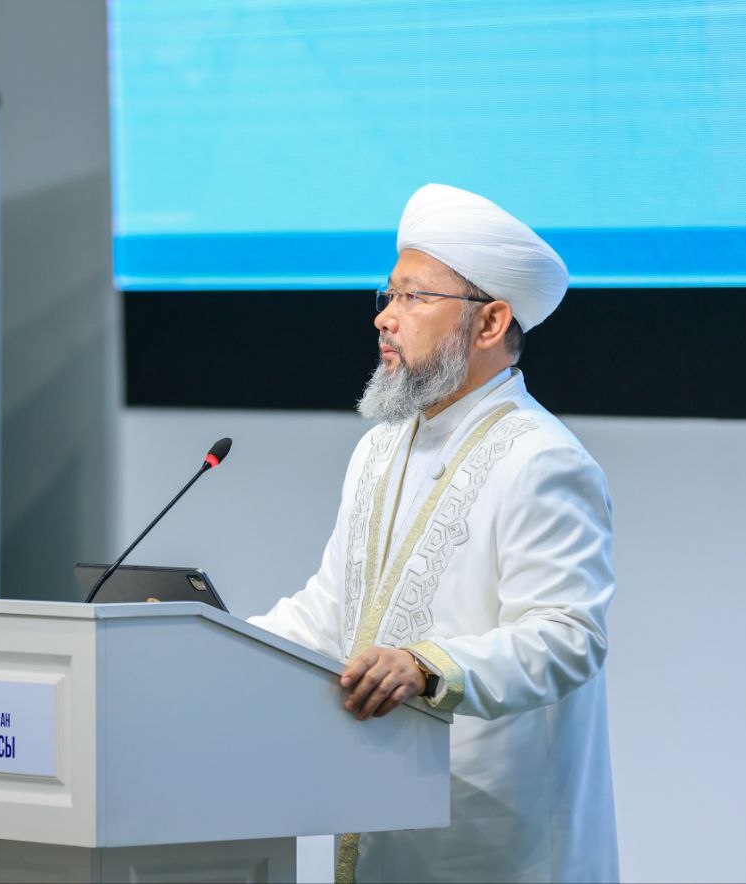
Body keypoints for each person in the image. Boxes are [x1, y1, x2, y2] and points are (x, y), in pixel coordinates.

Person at [249, 183, 618, 883]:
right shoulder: (381, 448)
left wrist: (427, 666)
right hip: (381, 807)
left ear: (490, 322)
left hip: (493, 840)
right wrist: (211, 641)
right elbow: (332, 611)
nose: (385, 318)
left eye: (414, 297)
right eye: (388, 295)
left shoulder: (543, 458)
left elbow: (569, 636)